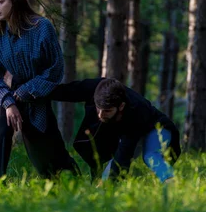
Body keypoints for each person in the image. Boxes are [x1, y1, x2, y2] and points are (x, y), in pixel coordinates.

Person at [0, 0, 80, 180]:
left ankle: (69, 181)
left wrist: (26, 92)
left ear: (15, 1)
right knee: (1, 133)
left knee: (46, 151)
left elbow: (54, 69)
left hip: (36, 93)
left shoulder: (41, 27)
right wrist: (8, 103)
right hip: (6, 94)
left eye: (0, 1)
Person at [27, 77, 180, 183]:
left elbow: (124, 154)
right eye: (98, 109)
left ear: (120, 106)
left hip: (156, 128)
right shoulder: (96, 88)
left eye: (106, 111)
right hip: (130, 136)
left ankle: (171, 185)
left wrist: (110, 180)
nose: (100, 115)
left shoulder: (136, 111)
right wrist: (35, 91)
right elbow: (68, 91)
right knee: (106, 178)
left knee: (150, 155)